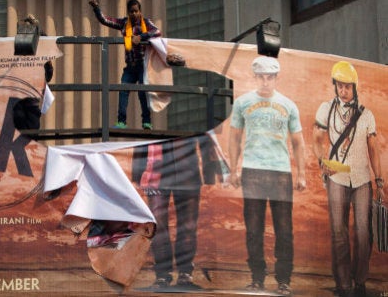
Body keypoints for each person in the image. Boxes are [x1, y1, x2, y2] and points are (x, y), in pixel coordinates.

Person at [228, 56, 306, 296]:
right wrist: (233, 169)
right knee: (253, 229)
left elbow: (297, 142)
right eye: (261, 76)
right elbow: (234, 138)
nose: (265, 81)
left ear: (276, 78)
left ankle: (284, 280)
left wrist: (301, 173)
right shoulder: (242, 103)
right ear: (255, 77)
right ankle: (257, 279)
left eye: (269, 77)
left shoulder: (289, 105)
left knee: (284, 229)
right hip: (253, 171)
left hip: (281, 172)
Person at [312, 61, 385, 297]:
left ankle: (360, 280)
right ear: (335, 87)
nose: (343, 90)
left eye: (347, 86)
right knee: (339, 232)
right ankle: (344, 285)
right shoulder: (326, 109)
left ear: (355, 86)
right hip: (337, 178)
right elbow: (317, 137)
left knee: (364, 233)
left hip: (362, 179)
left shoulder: (367, 115)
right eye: (340, 86)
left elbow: (373, 149)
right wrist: (322, 162)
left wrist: (380, 181)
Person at [132, 134, 225, 290]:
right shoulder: (153, 111)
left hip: (187, 175)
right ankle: (162, 276)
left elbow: (205, 136)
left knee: (187, 226)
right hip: (156, 174)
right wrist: (138, 172)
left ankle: (184, 275)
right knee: (158, 227)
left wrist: (209, 174)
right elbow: (144, 136)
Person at [88, 0, 161, 130]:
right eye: (131, 11)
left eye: (136, 11)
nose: (134, 14)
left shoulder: (146, 22)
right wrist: (96, 8)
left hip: (143, 66)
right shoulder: (124, 23)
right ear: (128, 12)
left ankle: (146, 121)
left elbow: (157, 32)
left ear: (140, 12)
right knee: (123, 90)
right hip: (130, 66)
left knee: (142, 93)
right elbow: (105, 20)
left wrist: (142, 37)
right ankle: (122, 121)